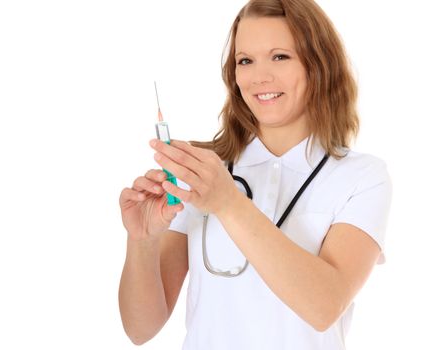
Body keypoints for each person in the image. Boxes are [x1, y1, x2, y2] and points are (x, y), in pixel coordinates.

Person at [118, 0, 392, 349]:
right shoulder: (203, 170)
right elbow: (141, 329)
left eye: (280, 56)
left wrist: (228, 203)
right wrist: (141, 240)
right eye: (245, 60)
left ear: (319, 64)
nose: (259, 77)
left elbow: (324, 307)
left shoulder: (362, 176)